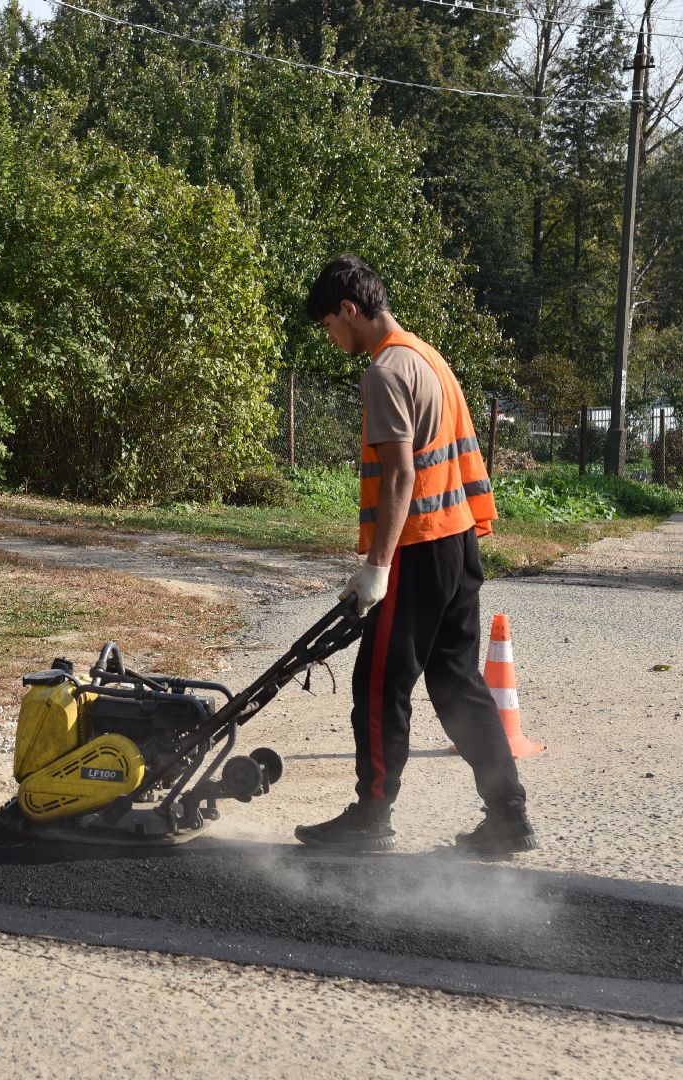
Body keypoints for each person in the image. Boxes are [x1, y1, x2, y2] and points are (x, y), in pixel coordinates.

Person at [293, 254, 537, 855]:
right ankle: (508, 817)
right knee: (457, 683)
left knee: (379, 685)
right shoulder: (429, 357)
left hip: (417, 548)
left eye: (329, 325)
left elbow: (401, 476)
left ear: (349, 309)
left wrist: (378, 566)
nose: (331, 337)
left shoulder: (384, 372)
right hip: (458, 543)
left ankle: (371, 818)